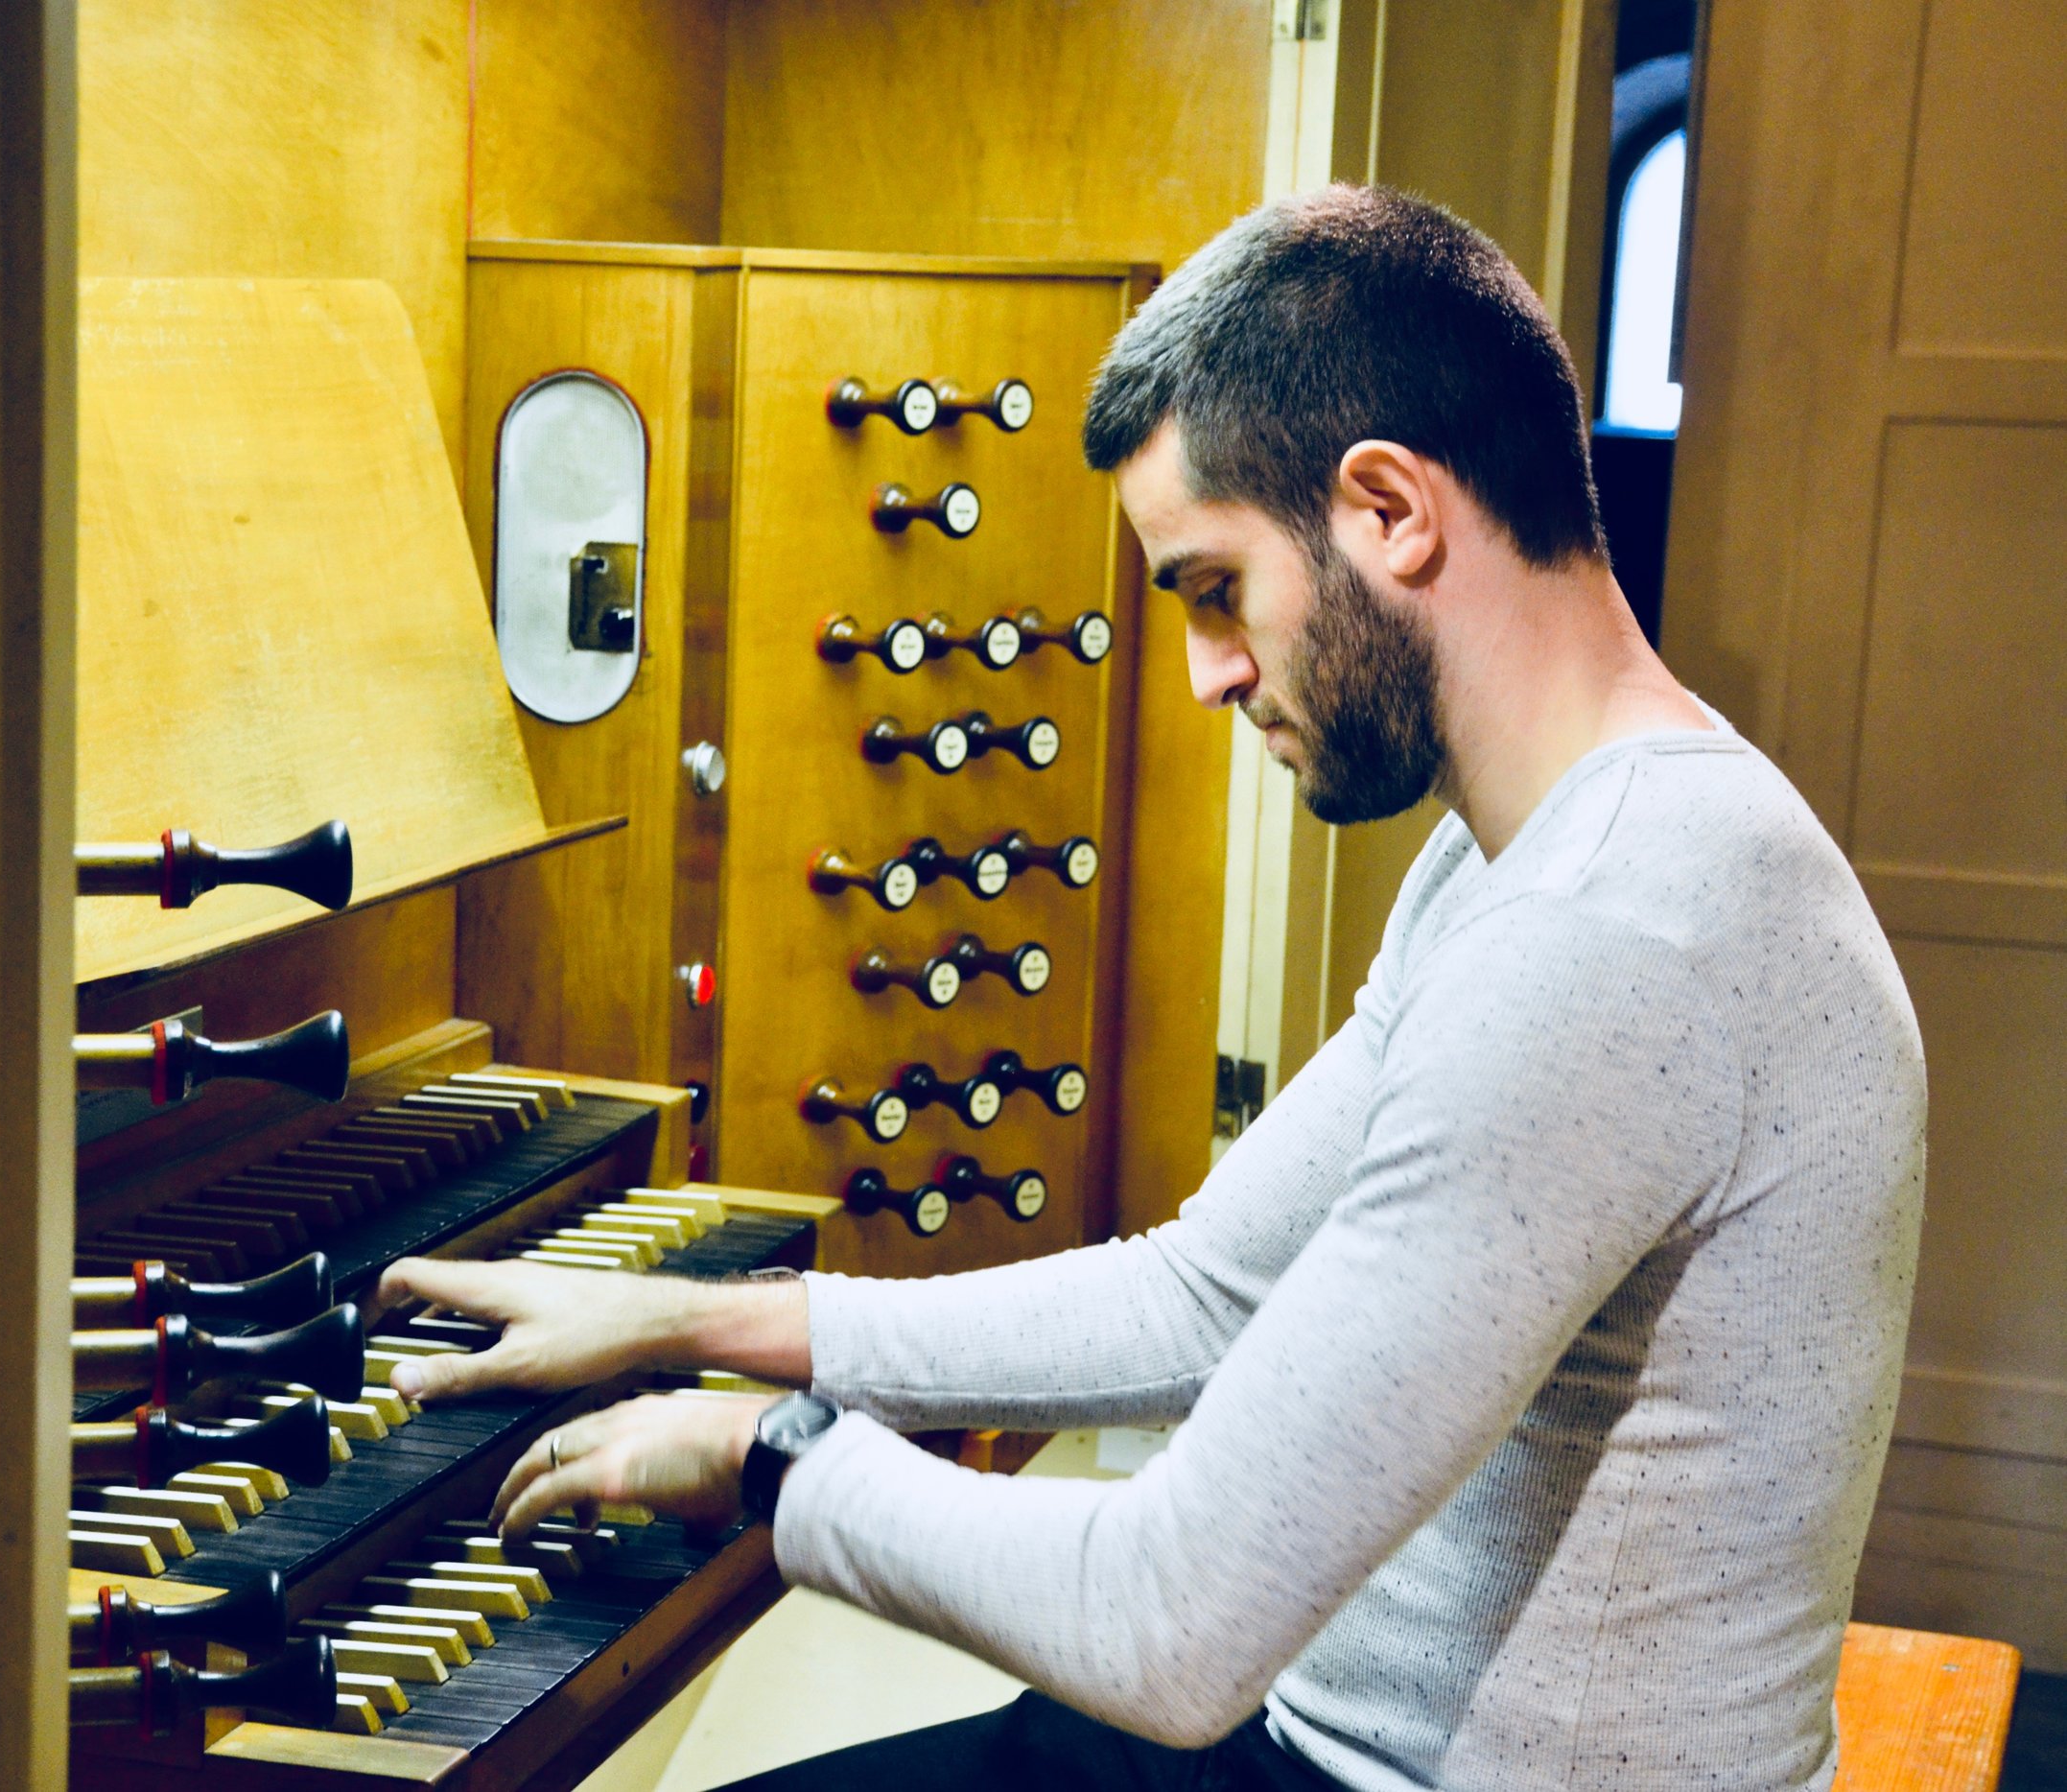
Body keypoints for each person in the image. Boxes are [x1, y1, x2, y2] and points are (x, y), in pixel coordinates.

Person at [381, 186, 1925, 1792]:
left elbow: (1170, 1625)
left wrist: (770, 1466)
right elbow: (1212, 1292)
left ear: (1391, 509)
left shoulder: (1612, 939)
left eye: (1210, 588)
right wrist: (702, 1321)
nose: (1204, 672)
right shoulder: (1542, 857)